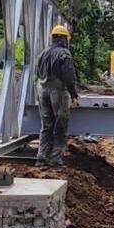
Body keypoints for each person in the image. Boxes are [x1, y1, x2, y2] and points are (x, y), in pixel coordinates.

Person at [36, 25, 79, 167]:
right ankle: (56, 159)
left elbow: (38, 72)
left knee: (46, 125)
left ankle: (41, 158)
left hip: (42, 91)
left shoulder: (43, 53)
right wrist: (74, 95)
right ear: (64, 38)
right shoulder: (64, 54)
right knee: (60, 125)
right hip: (58, 92)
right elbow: (69, 76)